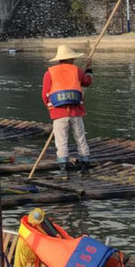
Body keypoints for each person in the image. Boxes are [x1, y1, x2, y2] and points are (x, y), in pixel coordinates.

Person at [42, 45, 93, 176]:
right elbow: (87, 82)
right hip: (76, 112)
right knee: (81, 139)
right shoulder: (77, 70)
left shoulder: (49, 73)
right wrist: (89, 68)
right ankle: (85, 168)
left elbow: (44, 95)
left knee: (61, 142)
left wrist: (51, 109)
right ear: (70, 58)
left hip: (59, 113)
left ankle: (64, 172)